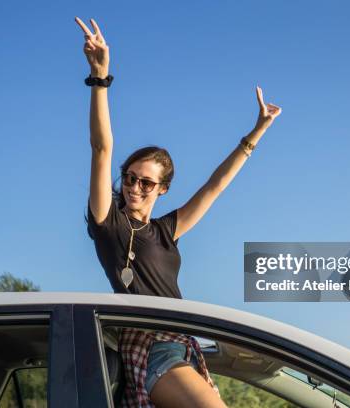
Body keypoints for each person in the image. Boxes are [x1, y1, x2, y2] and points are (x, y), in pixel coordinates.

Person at [75, 16, 281, 408]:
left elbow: (214, 187)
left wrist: (257, 132)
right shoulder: (109, 224)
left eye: (146, 183)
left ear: (162, 189)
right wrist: (100, 78)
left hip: (183, 344)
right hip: (153, 350)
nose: (135, 187)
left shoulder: (167, 230)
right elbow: (101, 147)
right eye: (130, 178)